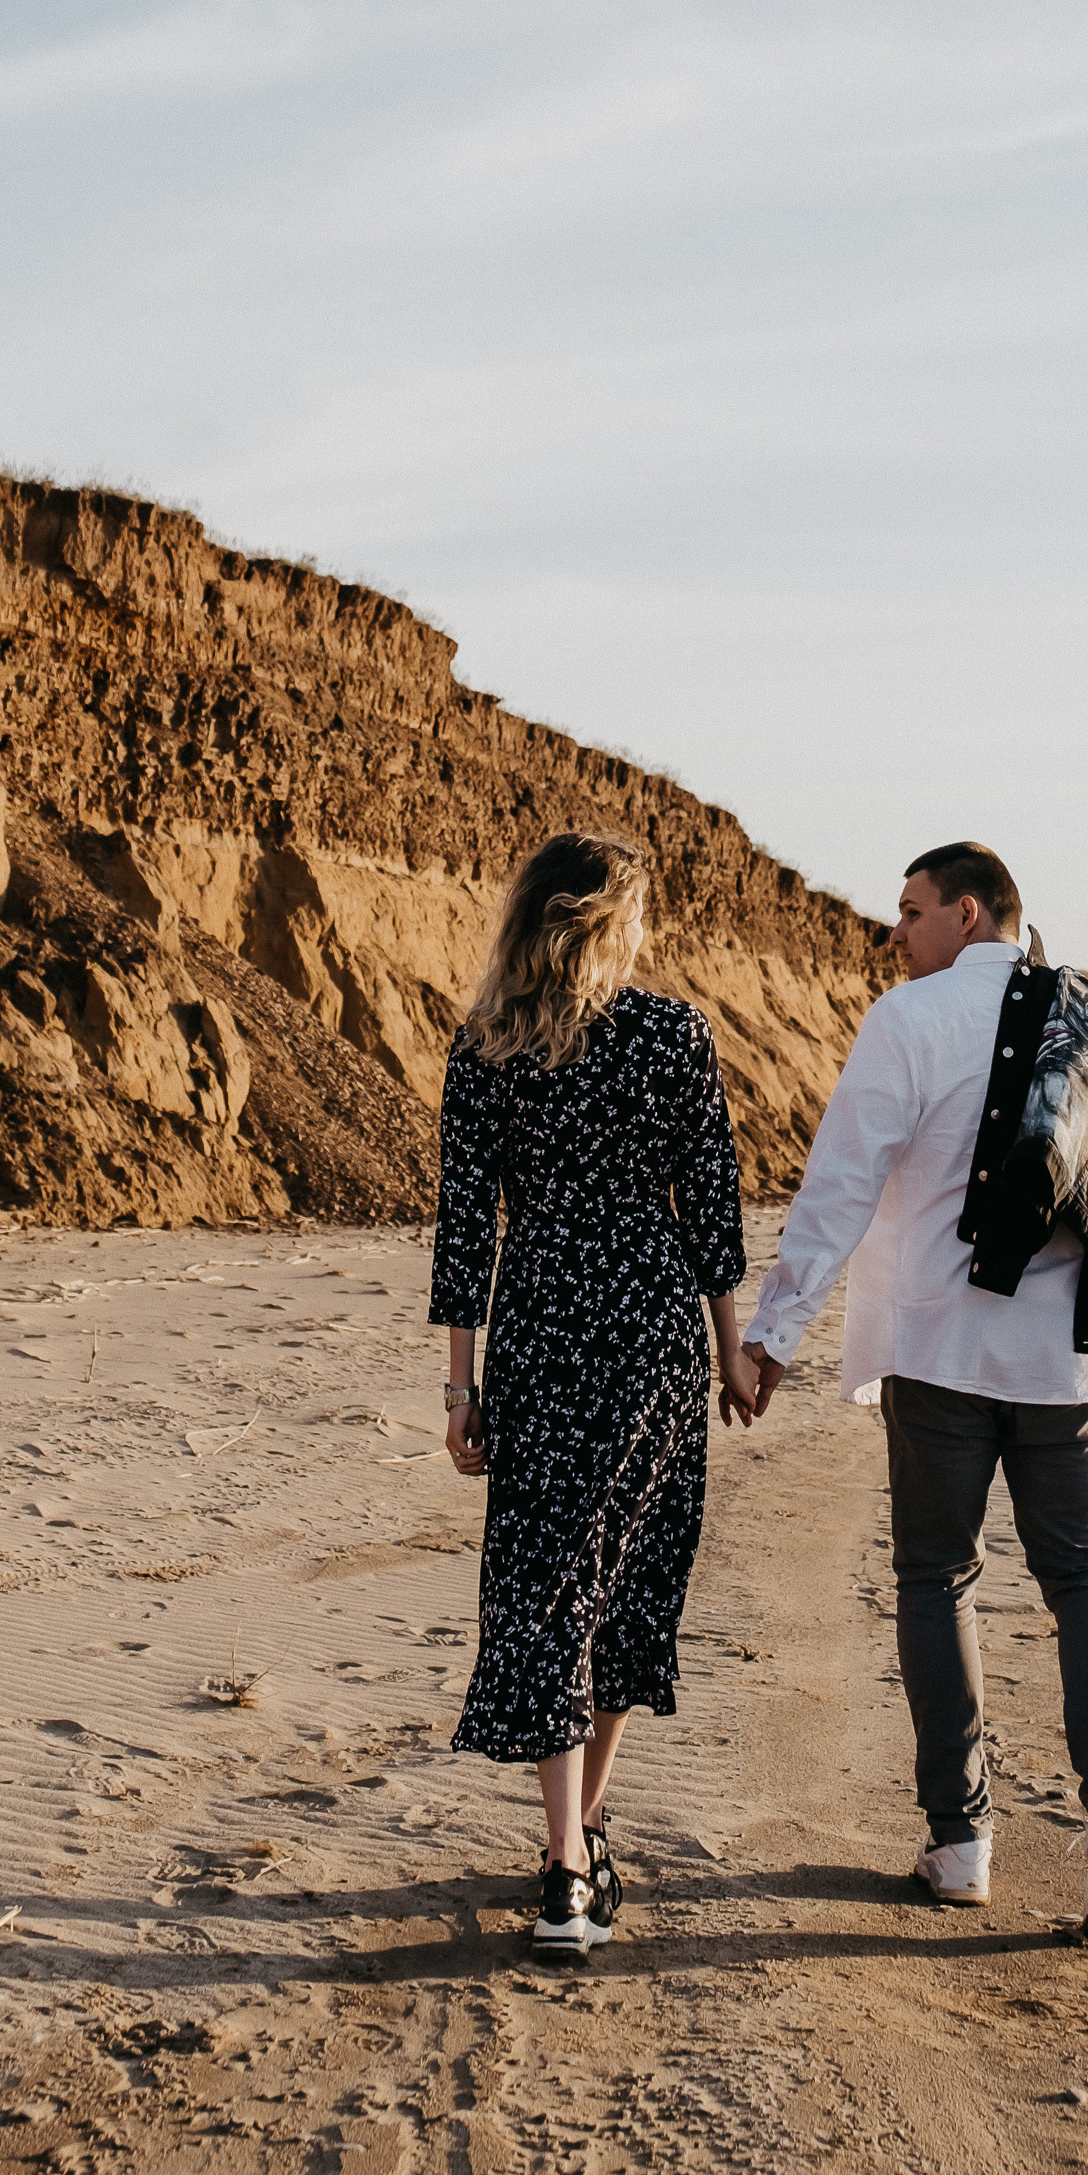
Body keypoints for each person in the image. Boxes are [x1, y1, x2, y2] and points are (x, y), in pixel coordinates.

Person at [743, 840, 1088, 1938]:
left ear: (966, 911)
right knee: (1084, 1571)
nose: (892, 933)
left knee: (935, 1576)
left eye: (906, 911)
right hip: (1071, 1365)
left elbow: (842, 1179)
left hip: (940, 1349)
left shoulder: (911, 1019)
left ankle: (958, 1842)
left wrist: (772, 1331)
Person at [431, 830, 760, 1960]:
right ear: (611, 920)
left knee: (549, 1577)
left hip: (543, 1330)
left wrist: (459, 1386)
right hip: (651, 1329)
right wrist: (730, 1350)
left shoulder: (485, 1045)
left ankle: (571, 1845)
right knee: (621, 1576)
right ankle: (573, 1851)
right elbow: (710, 1203)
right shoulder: (671, 1032)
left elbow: (465, 1230)